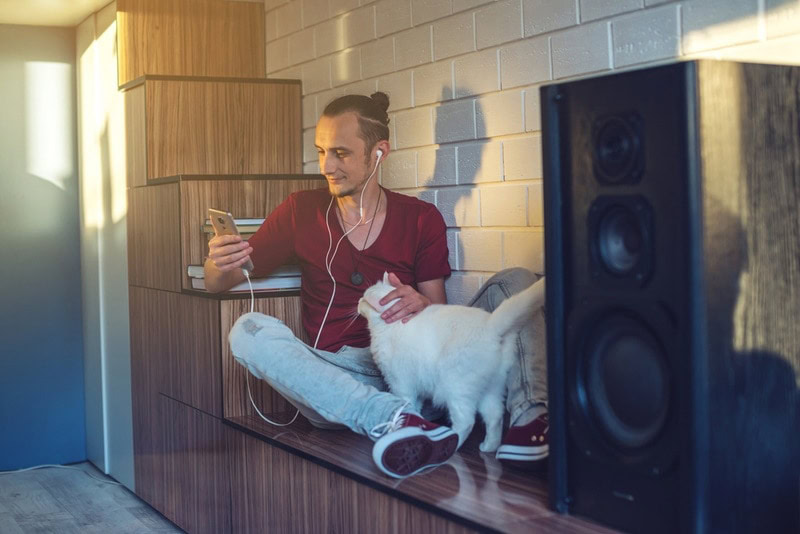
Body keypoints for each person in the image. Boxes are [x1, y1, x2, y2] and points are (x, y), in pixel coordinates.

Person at [204, 92, 548, 478]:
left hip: (419, 370)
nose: (327, 166)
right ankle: (395, 421)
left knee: (517, 281)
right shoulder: (301, 210)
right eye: (321, 152)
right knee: (248, 332)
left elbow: (439, 314)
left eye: (340, 153)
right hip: (344, 381)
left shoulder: (420, 218)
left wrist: (421, 302)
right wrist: (218, 260)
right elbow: (220, 282)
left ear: (379, 152)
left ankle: (530, 422)